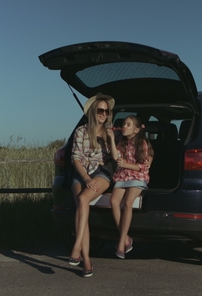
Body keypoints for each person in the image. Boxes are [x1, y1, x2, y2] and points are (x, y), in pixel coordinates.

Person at [68, 93, 114, 278]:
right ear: (93, 112)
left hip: (102, 171)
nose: (103, 114)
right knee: (82, 205)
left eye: (106, 110)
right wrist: (86, 178)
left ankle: (76, 247)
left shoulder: (111, 131)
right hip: (82, 173)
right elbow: (75, 158)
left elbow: (115, 157)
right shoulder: (81, 131)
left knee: (83, 199)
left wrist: (110, 139)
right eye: (100, 110)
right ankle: (86, 260)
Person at [107, 115, 153, 259]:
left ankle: (121, 243)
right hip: (122, 175)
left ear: (136, 130)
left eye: (128, 125)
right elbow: (115, 157)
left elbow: (142, 167)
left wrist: (126, 165)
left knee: (128, 202)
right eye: (123, 124)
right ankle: (126, 238)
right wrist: (111, 139)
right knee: (114, 202)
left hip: (137, 177)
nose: (124, 127)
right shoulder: (122, 142)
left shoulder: (143, 143)